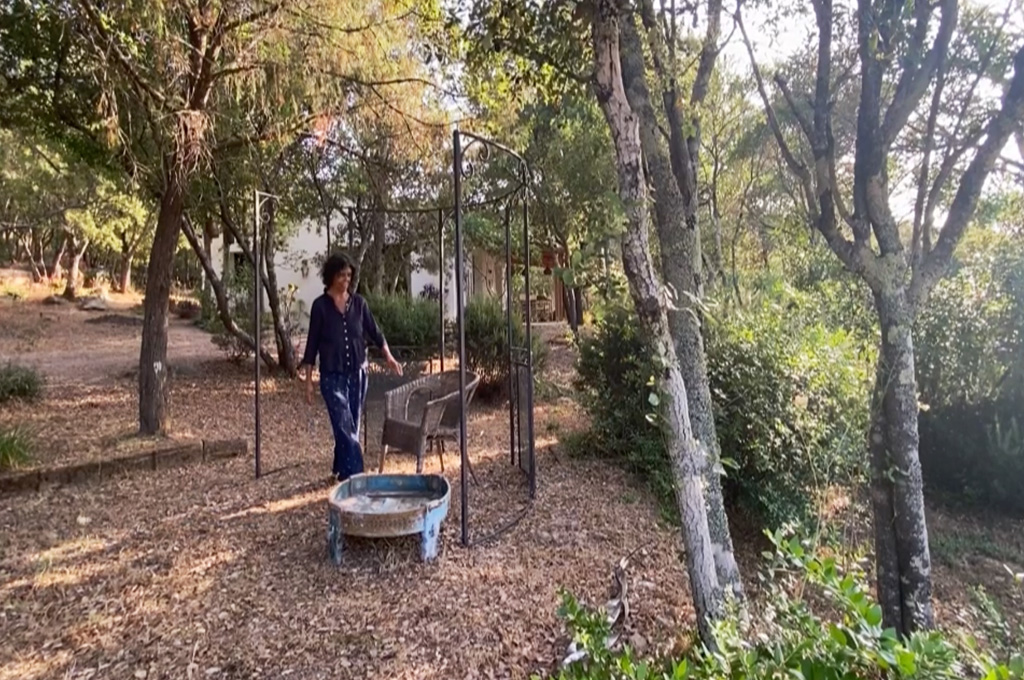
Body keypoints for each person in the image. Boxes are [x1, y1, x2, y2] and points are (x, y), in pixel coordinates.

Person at [300, 253, 402, 482]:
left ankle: (341, 470)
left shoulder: (359, 303)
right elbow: (312, 345)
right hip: (331, 377)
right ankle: (357, 479)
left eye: (348, 275)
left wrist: (388, 356)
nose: (346, 279)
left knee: (351, 425)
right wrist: (308, 382)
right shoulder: (320, 306)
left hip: (358, 373)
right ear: (331, 276)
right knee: (344, 424)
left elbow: (375, 332)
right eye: (341, 275)